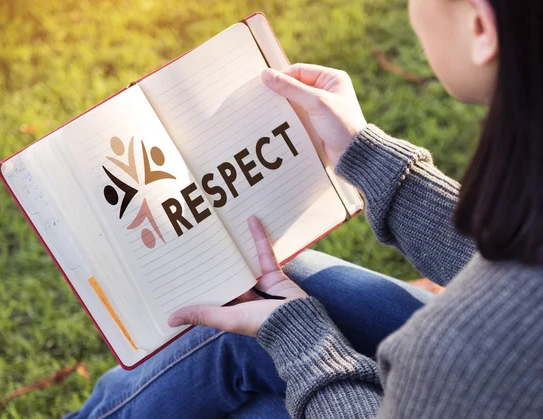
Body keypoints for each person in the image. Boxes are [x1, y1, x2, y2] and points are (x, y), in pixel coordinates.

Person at [68, 0, 542, 417]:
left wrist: (302, 340)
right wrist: (369, 157)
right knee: (269, 290)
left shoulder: (461, 348)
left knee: (246, 343)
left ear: (480, 27)